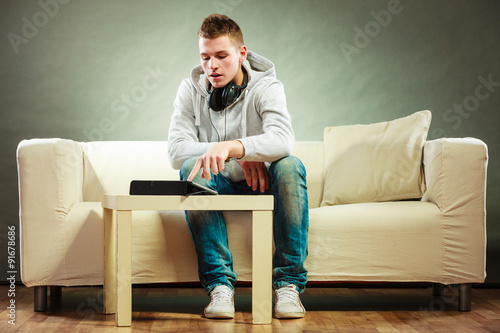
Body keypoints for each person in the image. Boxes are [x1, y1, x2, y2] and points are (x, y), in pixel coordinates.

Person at [168, 13, 309, 319]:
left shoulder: (267, 86)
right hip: (219, 182)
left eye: (221, 56)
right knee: (190, 168)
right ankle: (220, 287)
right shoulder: (189, 90)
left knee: (289, 165)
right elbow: (176, 152)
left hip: (264, 183)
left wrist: (239, 148)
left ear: (241, 53)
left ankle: (288, 286)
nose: (212, 66)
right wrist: (234, 155)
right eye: (205, 57)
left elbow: (283, 140)